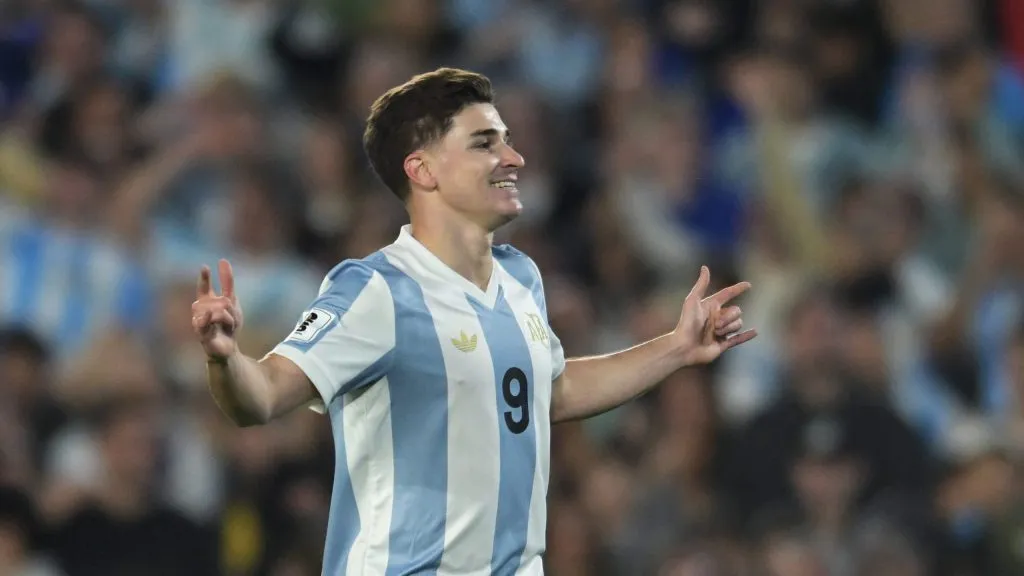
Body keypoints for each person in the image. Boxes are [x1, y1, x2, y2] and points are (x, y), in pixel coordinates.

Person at [191, 67, 756, 575]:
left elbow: (548, 394)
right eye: (486, 144)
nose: (514, 158)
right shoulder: (375, 289)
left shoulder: (522, 279)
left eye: (507, 141)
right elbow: (261, 397)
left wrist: (676, 348)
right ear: (424, 170)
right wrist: (224, 358)